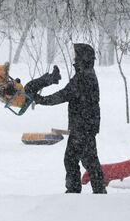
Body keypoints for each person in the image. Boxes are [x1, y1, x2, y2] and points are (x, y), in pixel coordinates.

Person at [32, 43, 106, 194]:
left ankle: (75, 192)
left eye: (77, 57)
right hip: (86, 126)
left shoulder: (83, 78)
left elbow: (64, 95)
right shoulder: (87, 74)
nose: (74, 60)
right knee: (89, 161)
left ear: (83, 59)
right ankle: (96, 191)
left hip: (82, 127)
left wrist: (42, 100)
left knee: (73, 160)